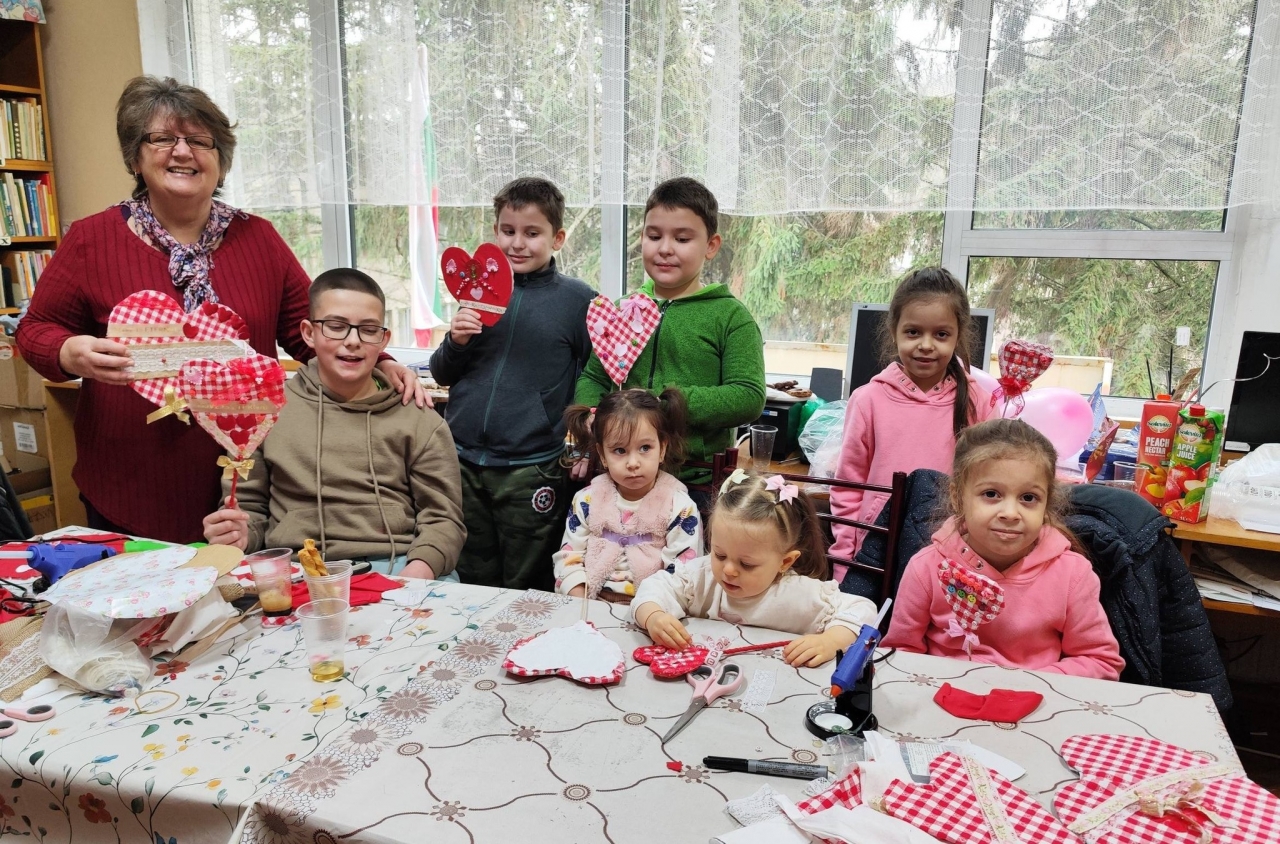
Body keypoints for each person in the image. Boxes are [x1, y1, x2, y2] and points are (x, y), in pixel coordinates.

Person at [14, 76, 424, 544]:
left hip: (248, 486)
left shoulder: (260, 239)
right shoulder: (92, 239)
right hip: (130, 487)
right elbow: (35, 329)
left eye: (200, 140)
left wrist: (380, 362)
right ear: (135, 157)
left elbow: (308, 333)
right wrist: (68, 352)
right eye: (162, 138)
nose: (182, 152)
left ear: (221, 160)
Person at [202, 269, 464, 579]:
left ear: (383, 339)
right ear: (308, 333)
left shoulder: (419, 419)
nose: (352, 341)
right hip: (297, 568)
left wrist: (415, 574)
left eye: (368, 330)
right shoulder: (264, 412)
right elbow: (249, 509)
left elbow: (443, 521)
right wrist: (240, 534)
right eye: (336, 327)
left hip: (399, 566)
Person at [428, 177, 595, 590]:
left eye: (532, 233)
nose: (517, 243)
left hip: (532, 468)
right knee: (471, 575)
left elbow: (596, 380)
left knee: (528, 579)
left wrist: (587, 445)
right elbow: (442, 372)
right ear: (495, 231)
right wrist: (456, 341)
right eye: (508, 231)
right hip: (463, 461)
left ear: (557, 238)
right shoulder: (476, 292)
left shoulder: (578, 301)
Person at [882, 419, 1124, 680]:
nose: (1010, 513)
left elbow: (1101, 661)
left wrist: (1025, 683)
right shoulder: (926, 568)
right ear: (957, 496)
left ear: (1046, 503)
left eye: (1028, 498)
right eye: (991, 494)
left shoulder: (1073, 575)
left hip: (1035, 697)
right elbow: (900, 653)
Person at [574, 177, 765, 500]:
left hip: (696, 483)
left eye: (682, 238)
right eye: (654, 236)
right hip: (618, 477)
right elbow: (594, 377)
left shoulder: (731, 317)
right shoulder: (622, 310)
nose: (664, 248)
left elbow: (748, 396)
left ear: (711, 246)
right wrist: (593, 415)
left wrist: (665, 404)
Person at [830, 267, 996, 565]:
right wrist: (844, 560)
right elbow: (848, 488)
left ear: (958, 337)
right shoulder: (867, 400)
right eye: (913, 332)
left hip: (948, 557)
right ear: (894, 331)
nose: (926, 345)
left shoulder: (978, 403)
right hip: (876, 553)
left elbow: (990, 487)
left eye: (941, 334)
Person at [632, 470, 878, 668]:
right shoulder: (701, 577)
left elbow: (863, 609)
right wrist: (654, 616)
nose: (729, 570)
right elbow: (653, 587)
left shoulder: (800, 593)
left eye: (746, 564)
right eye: (720, 554)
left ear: (785, 562)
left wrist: (832, 640)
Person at [555, 388, 702, 600]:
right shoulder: (586, 500)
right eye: (619, 451)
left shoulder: (680, 508)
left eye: (645, 448)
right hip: (589, 602)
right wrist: (579, 598)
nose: (633, 463)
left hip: (654, 607)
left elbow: (684, 573)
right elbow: (568, 557)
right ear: (602, 455)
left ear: (662, 449)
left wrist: (650, 609)